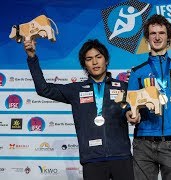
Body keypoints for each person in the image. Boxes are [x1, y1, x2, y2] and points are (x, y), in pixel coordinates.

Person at [23, 39, 134, 180]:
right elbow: (43, 89)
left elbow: (137, 111)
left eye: (98, 57)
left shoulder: (124, 87)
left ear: (106, 60)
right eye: (89, 59)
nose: (95, 62)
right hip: (92, 160)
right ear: (84, 65)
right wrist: (32, 57)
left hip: (122, 157)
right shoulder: (76, 90)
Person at [126, 14, 171, 180]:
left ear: (168, 36)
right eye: (153, 33)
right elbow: (129, 104)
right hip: (143, 143)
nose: (157, 37)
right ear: (147, 37)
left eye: (161, 33)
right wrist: (130, 114)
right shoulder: (137, 71)